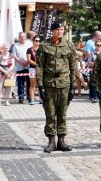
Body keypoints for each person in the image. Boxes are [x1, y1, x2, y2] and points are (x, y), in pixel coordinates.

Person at [36, 21, 77, 153]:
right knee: (50, 113)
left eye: (62, 29)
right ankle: (51, 142)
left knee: (62, 113)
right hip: (49, 84)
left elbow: (73, 66)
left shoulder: (69, 45)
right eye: (57, 29)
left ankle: (61, 141)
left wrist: (73, 85)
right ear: (52, 31)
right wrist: (40, 85)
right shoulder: (44, 46)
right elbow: (40, 67)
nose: (60, 31)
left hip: (64, 83)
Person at [12, 32, 31, 104]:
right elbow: (14, 56)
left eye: (23, 36)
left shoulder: (29, 44)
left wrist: (29, 61)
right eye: (21, 36)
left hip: (29, 66)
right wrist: (22, 62)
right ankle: (21, 97)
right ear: (19, 37)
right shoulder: (15, 46)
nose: (22, 38)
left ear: (25, 37)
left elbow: (32, 53)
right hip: (20, 67)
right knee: (20, 83)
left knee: (29, 83)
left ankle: (29, 97)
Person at [26, 36, 41, 105]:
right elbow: (29, 59)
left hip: (40, 69)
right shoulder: (29, 50)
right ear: (33, 41)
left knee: (40, 84)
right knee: (33, 84)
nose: (38, 42)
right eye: (36, 40)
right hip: (33, 68)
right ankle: (31, 99)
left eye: (39, 41)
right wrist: (36, 64)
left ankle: (41, 99)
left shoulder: (41, 49)